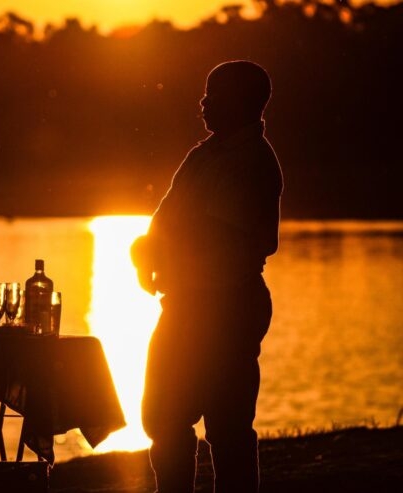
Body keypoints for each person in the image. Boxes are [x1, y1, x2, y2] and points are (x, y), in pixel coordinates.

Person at [131, 60, 283, 493]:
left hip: (228, 305)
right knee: (163, 416)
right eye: (205, 93)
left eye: (214, 95)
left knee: (228, 427)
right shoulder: (202, 156)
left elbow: (222, 234)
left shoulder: (253, 161)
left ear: (245, 102)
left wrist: (167, 241)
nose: (203, 103)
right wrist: (144, 252)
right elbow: (162, 222)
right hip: (184, 303)